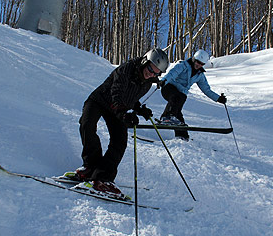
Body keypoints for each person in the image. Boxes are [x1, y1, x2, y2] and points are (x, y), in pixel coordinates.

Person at [64, 48, 169, 199]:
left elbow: (130, 97)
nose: (151, 74)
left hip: (118, 108)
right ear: (145, 61)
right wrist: (123, 114)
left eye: (156, 73)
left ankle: (102, 177)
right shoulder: (127, 69)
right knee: (87, 125)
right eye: (151, 69)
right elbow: (117, 92)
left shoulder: (147, 83)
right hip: (99, 100)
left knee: (120, 141)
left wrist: (139, 109)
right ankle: (91, 166)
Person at [158, 49, 227, 140]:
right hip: (169, 87)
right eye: (198, 62)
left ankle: (182, 136)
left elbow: (206, 90)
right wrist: (164, 80)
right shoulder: (183, 66)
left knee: (178, 113)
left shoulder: (200, 75)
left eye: (202, 64)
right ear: (194, 59)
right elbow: (172, 73)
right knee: (178, 97)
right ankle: (166, 117)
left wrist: (218, 98)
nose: (199, 65)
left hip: (180, 94)